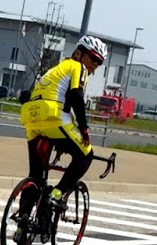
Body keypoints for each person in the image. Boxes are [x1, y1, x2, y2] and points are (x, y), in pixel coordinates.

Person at [17, 35, 107, 220]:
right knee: (85, 155)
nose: (95, 65)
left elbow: (26, 95)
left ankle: (22, 224)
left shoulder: (53, 71)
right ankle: (56, 195)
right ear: (78, 53)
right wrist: (83, 128)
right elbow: (76, 96)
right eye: (93, 58)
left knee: (36, 177)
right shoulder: (77, 66)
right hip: (55, 119)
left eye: (99, 63)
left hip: (32, 121)